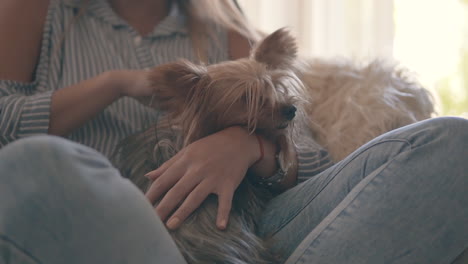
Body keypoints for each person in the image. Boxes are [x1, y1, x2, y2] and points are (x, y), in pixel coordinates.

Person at [0, 0, 466, 263]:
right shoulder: (38, 12)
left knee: (450, 144)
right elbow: (8, 137)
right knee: (41, 161)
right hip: (117, 228)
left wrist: (246, 146)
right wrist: (115, 84)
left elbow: (312, 157)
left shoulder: (222, 24)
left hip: (247, 218)